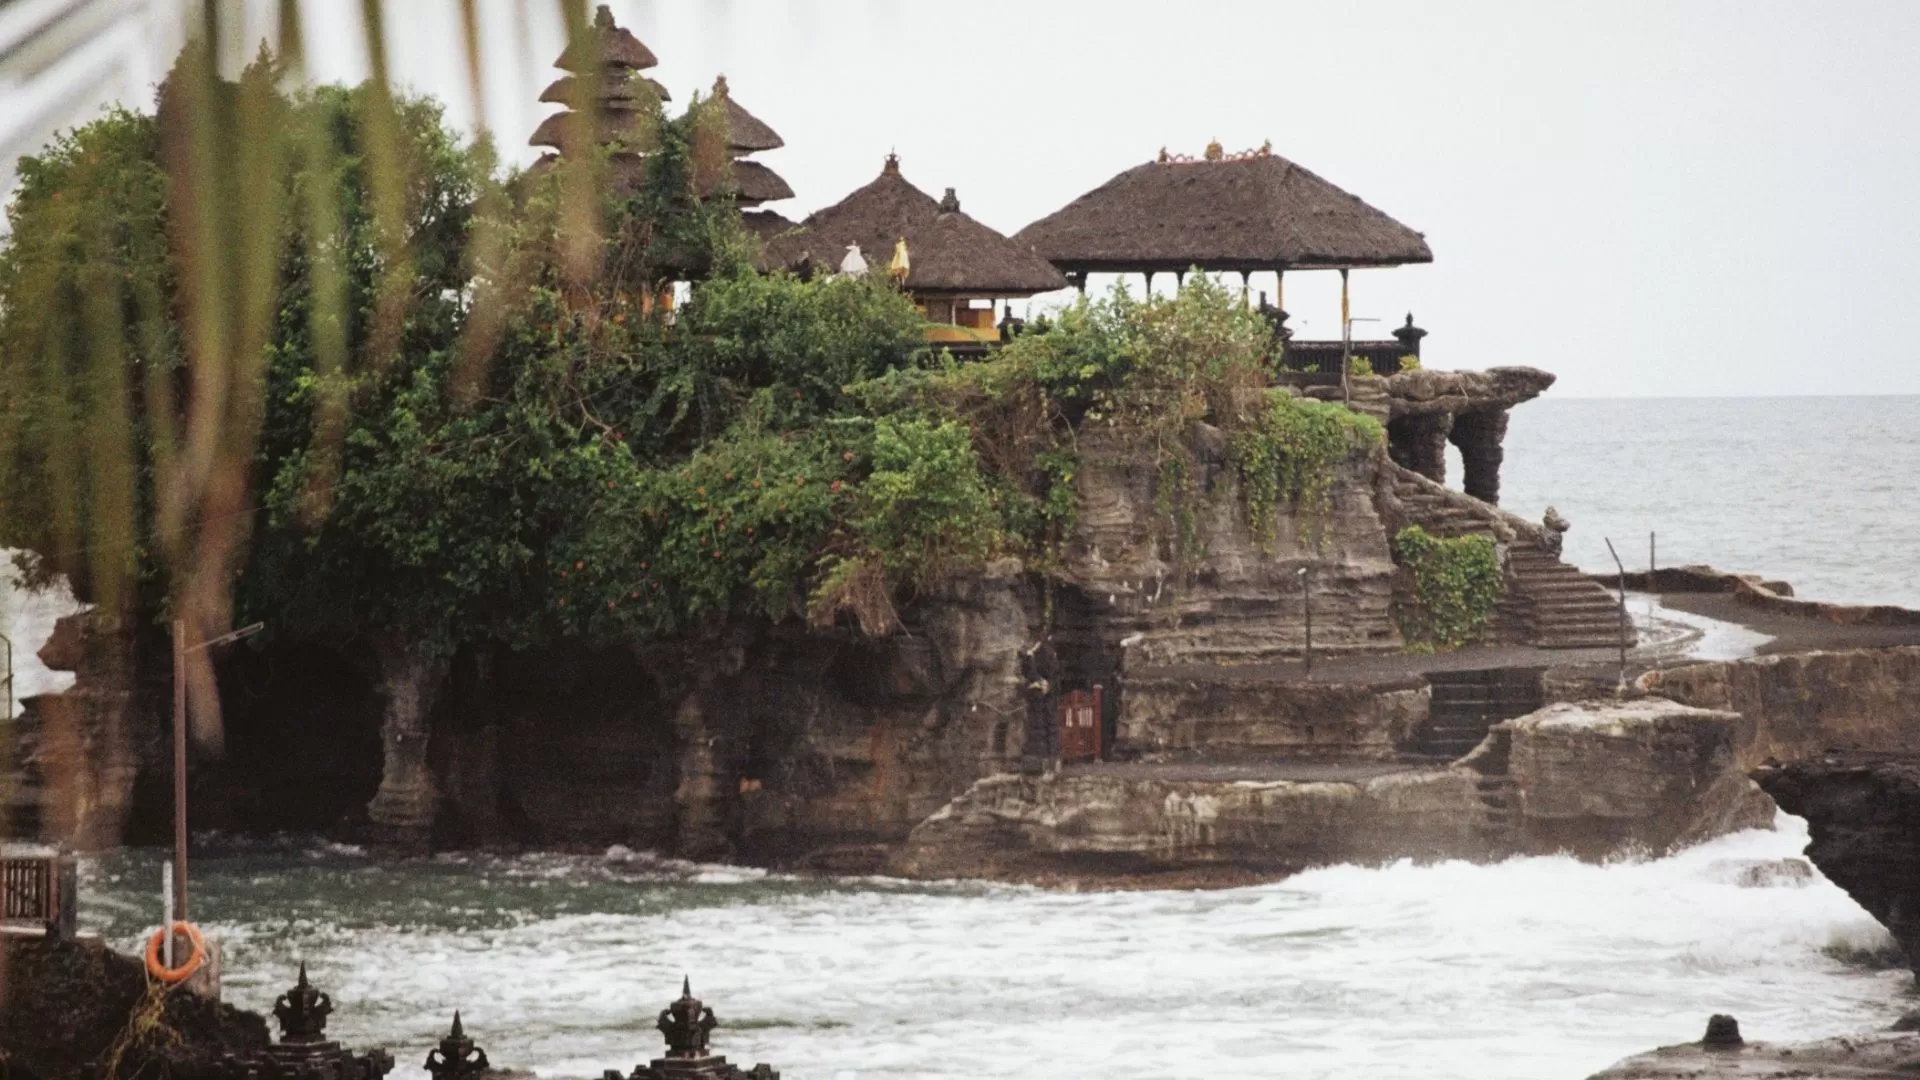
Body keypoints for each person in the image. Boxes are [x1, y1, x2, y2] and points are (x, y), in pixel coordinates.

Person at [1019, 636, 1059, 772]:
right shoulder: (1027, 655)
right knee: (1036, 728)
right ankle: (1039, 761)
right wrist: (1034, 683)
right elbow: (1027, 674)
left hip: (1046, 697)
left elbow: (1053, 674)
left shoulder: (1046, 653)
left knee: (1049, 727)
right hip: (1035, 697)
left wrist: (1047, 685)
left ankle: (1051, 761)